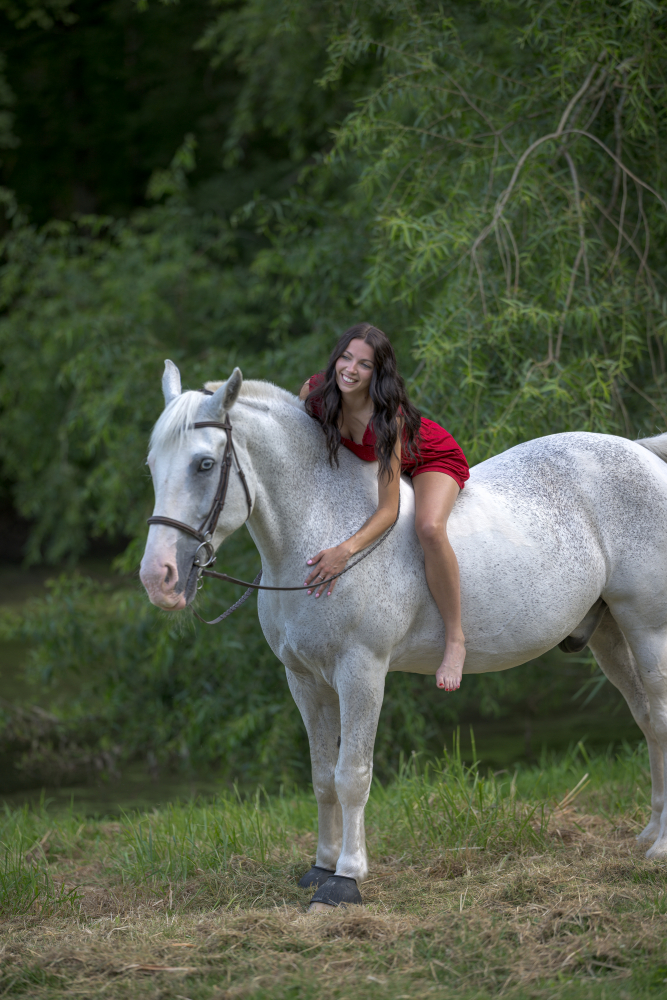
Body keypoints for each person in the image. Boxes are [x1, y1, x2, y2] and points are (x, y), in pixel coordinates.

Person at [299, 322, 469, 692]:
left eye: (364, 364)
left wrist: (344, 551)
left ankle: (455, 639)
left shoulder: (386, 420)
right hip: (383, 466)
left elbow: (388, 511)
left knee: (429, 528)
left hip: (429, 458)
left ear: (378, 372)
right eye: (346, 358)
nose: (350, 370)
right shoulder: (314, 393)